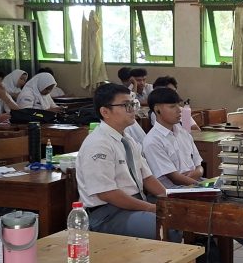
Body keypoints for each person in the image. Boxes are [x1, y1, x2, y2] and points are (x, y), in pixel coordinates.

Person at [75, 83, 176, 240]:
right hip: (108, 213)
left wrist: (170, 199)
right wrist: (151, 208)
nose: (132, 110)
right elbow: (107, 193)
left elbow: (147, 177)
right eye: (126, 105)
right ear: (105, 112)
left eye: (133, 104)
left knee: (187, 215)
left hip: (134, 205)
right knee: (170, 227)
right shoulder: (98, 144)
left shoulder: (128, 140)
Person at [142, 88, 203, 188]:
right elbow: (175, 179)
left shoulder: (184, 133)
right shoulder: (153, 141)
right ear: (157, 109)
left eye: (179, 105)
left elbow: (199, 166)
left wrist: (197, 175)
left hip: (195, 183)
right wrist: (201, 186)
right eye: (172, 106)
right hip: (175, 190)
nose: (179, 110)